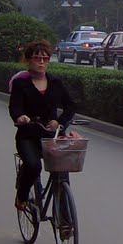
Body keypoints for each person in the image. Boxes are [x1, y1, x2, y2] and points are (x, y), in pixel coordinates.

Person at [8, 40, 76, 213]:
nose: (41, 62)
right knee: (33, 166)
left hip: (51, 136)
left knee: (62, 175)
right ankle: (22, 196)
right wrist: (20, 117)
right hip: (28, 135)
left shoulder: (55, 83)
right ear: (29, 60)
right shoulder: (20, 84)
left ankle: (65, 222)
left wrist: (59, 122)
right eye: (37, 58)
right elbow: (14, 107)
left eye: (45, 59)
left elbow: (70, 105)